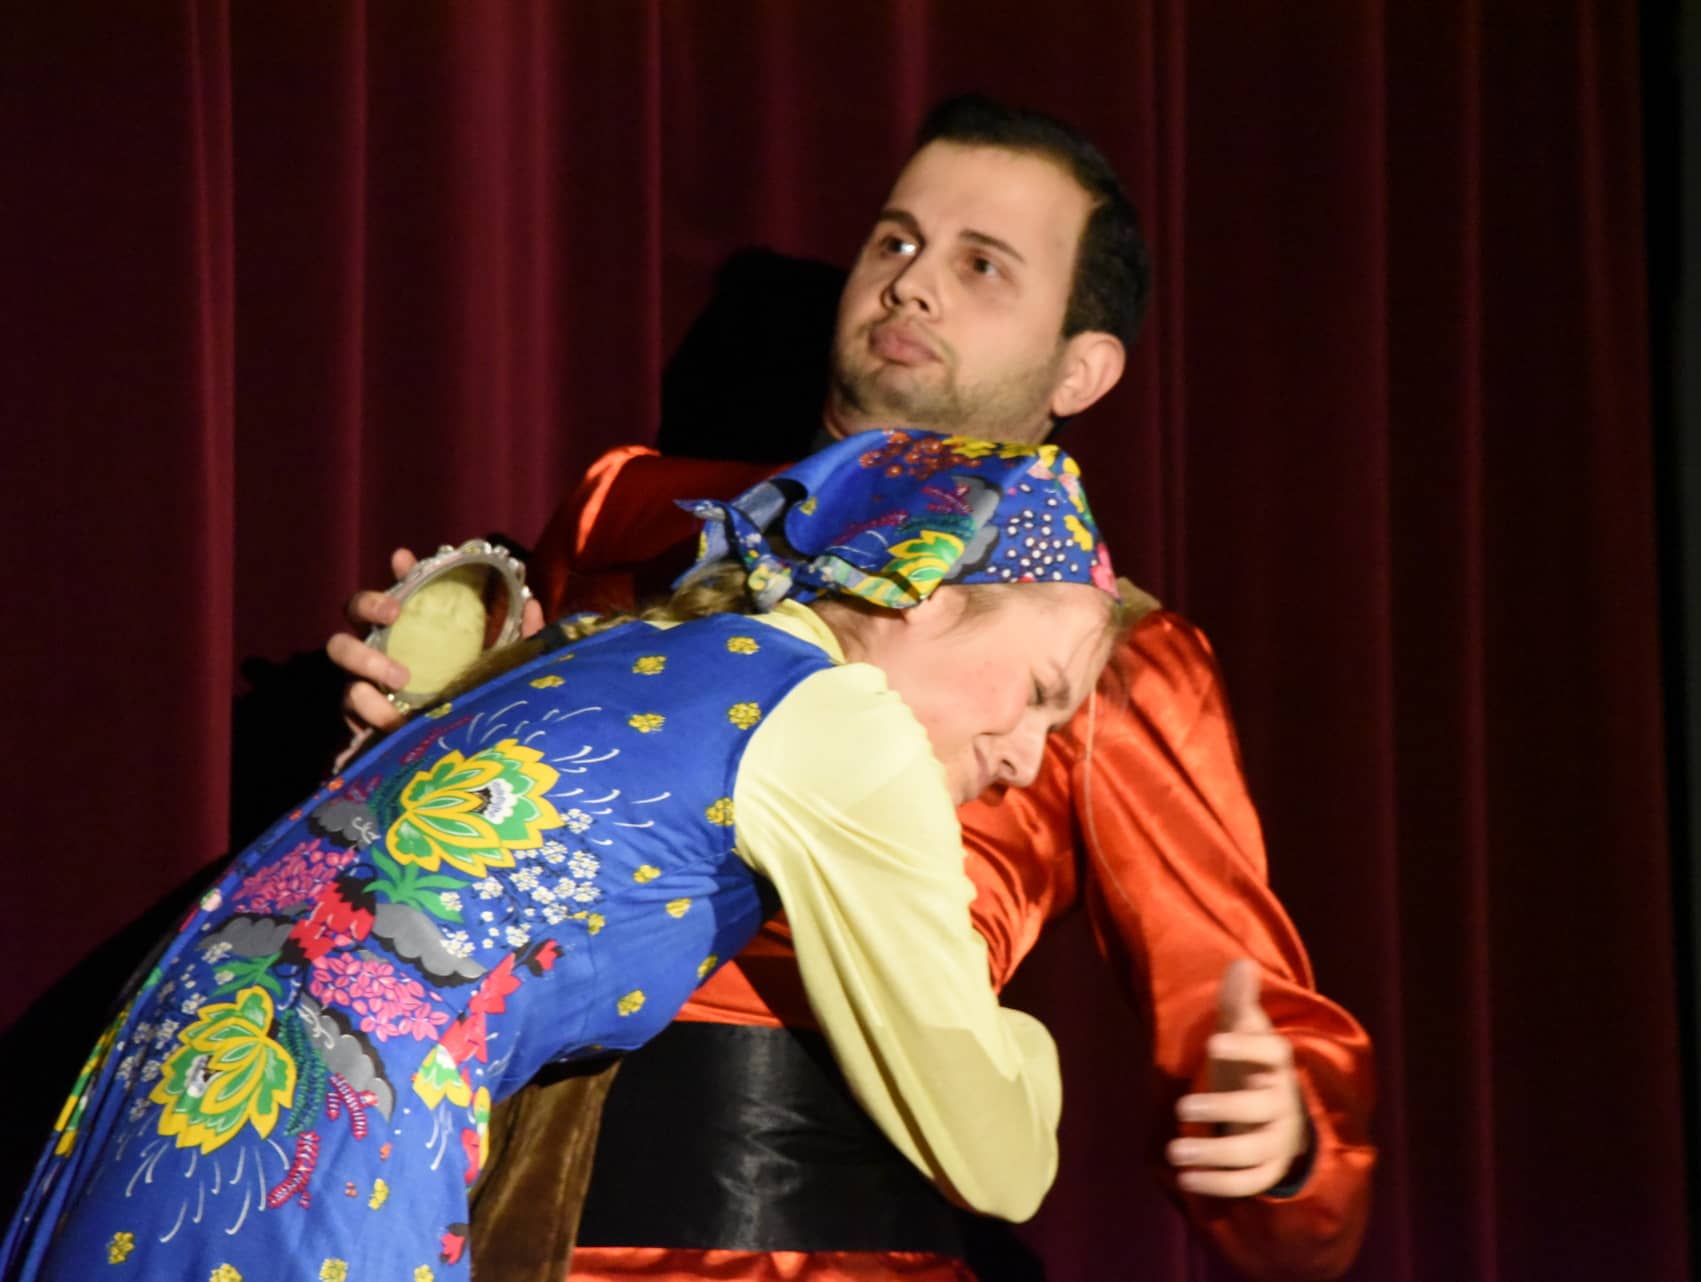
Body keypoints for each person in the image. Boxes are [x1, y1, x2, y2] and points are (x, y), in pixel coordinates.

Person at [332, 96, 1376, 1281]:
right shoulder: (639, 515)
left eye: (982, 265)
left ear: (1081, 368)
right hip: (496, 1217)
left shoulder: (1118, 653)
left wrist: (1286, 1140)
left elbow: (1249, 1010)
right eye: (896, 241)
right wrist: (410, 732)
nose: (911, 284)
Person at [1, 431, 1124, 1282]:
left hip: (156, 1110)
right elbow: (995, 1157)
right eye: (1041, 691)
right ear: (924, 592)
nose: (1027, 759)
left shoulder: (625, 642)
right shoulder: (842, 720)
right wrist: (1028, 1050)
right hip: (314, 1156)